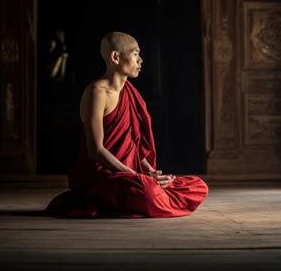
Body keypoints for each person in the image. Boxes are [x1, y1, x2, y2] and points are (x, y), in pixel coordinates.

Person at [45, 31, 208, 218]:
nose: (141, 60)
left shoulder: (130, 93)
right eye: (135, 53)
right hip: (105, 177)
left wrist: (149, 172)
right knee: (147, 193)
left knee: (197, 185)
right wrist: (136, 176)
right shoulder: (97, 93)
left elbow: (135, 144)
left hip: (132, 177)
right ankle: (127, 198)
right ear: (115, 57)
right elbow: (96, 150)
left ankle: (137, 197)